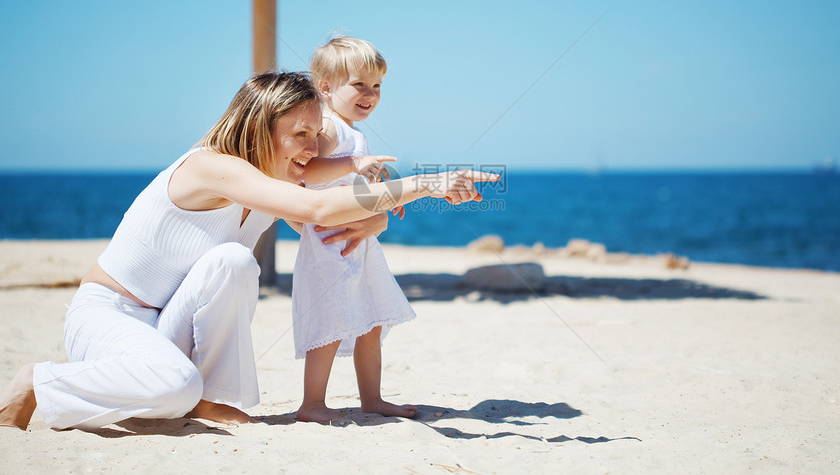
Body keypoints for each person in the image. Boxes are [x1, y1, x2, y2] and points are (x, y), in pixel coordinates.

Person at [0, 71, 497, 431]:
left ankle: (207, 398)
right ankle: (39, 382)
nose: (311, 148)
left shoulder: (272, 180)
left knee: (235, 262)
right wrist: (426, 182)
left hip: (169, 323)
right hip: (111, 318)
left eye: (315, 134)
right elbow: (318, 208)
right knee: (173, 386)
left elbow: (325, 215)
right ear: (261, 127)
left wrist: (382, 216)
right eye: (299, 135)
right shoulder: (211, 167)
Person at [291, 37, 414, 423]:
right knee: (330, 320)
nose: (370, 94)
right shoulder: (327, 127)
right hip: (330, 242)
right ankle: (312, 403)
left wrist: (381, 200)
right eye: (358, 84)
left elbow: (350, 182)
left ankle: (372, 398)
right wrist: (353, 163)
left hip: (357, 241)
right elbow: (310, 172)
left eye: (376, 86)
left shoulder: (350, 132)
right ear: (325, 87)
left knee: (372, 320)